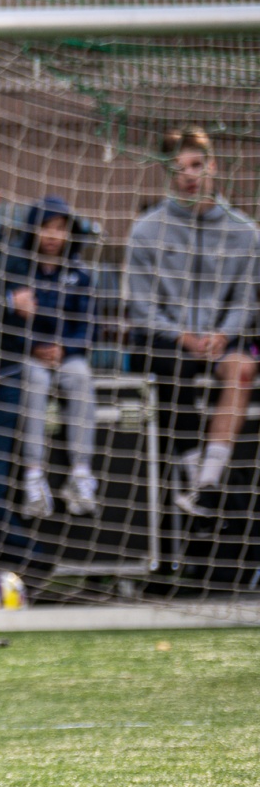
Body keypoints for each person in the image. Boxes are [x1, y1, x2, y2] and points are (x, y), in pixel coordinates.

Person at [125, 126, 259, 518]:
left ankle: (207, 482)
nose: (189, 175)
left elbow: (246, 301)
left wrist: (223, 334)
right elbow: (141, 308)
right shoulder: (146, 230)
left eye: (196, 165)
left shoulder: (244, 232)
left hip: (221, 340)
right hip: (167, 341)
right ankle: (190, 470)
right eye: (178, 168)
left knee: (243, 368)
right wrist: (181, 335)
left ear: (212, 166)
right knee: (170, 362)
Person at [0, 196, 99, 518]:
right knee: (34, 380)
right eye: (46, 227)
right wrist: (33, 348)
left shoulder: (80, 275)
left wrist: (65, 349)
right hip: (30, 356)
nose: (53, 236)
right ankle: (34, 477)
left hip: (68, 356)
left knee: (81, 376)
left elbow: (89, 327)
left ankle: (81, 474)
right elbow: (7, 325)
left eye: (60, 228)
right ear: (34, 230)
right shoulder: (18, 270)